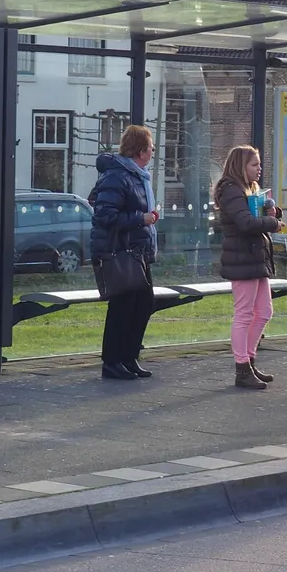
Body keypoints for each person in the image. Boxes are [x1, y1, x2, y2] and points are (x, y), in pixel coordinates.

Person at [90, 125, 159, 381]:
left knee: (143, 304)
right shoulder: (118, 176)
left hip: (137, 251)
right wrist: (140, 218)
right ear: (141, 150)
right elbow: (105, 216)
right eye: (151, 147)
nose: (153, 151)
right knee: (123, 306)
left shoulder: (137, 176)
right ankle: (112, 361)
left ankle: (129, 358)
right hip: (120, 252)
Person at [213, 145, 285, 390]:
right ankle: (241, 367)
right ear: (240, 166)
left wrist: (271, 213)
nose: (259, 169)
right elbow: (245, 222)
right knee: (244, 313)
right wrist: (272, 223)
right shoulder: (231, 190)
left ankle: (250, 360)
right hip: (241, 258)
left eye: (259, 164)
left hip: (255, 257)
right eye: (254, 164)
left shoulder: (250, 189)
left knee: (264, 311)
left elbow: (255, 216)